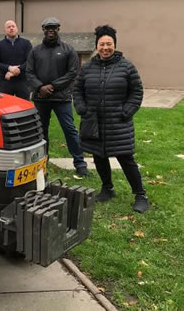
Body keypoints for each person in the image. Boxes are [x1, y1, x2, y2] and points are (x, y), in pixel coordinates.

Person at [73, 25, 148, 212]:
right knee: (99, 156)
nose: (105, 47)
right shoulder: (88, 67)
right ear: (96, 45)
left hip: (118, 123)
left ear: (114, 44)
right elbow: (77, 89)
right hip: (93, 122)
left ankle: (140, 195)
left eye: (109, 44)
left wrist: (127, 111)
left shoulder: (126, 66)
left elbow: (136, 91)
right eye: (101, 44)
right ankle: (107, 188)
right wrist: (81, 108)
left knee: (126, 158)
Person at [26, 17, 89, 177]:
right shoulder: (35, 51)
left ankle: (80, 163)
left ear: (58, 29)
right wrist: (40, 87)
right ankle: (42, 162)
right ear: (43, 29)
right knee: (41, 132)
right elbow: (29, 72)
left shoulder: (68, 50)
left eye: (53, 27)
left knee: (69, 130)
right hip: (41, 98)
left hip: (62, 98)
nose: (50, 30)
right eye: (48, 28)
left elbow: (73, 72)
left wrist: (52, 86)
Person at [0, 19, 32, 100]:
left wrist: (17, 70)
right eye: (8, 27)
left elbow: (31, 61)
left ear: (17, 28)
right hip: (5, 82)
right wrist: (9, 68)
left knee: (24, 107)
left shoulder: (26, 43)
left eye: (13, 26)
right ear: (5, 30)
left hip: (22, 81)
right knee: (5, 107)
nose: (11, 28)